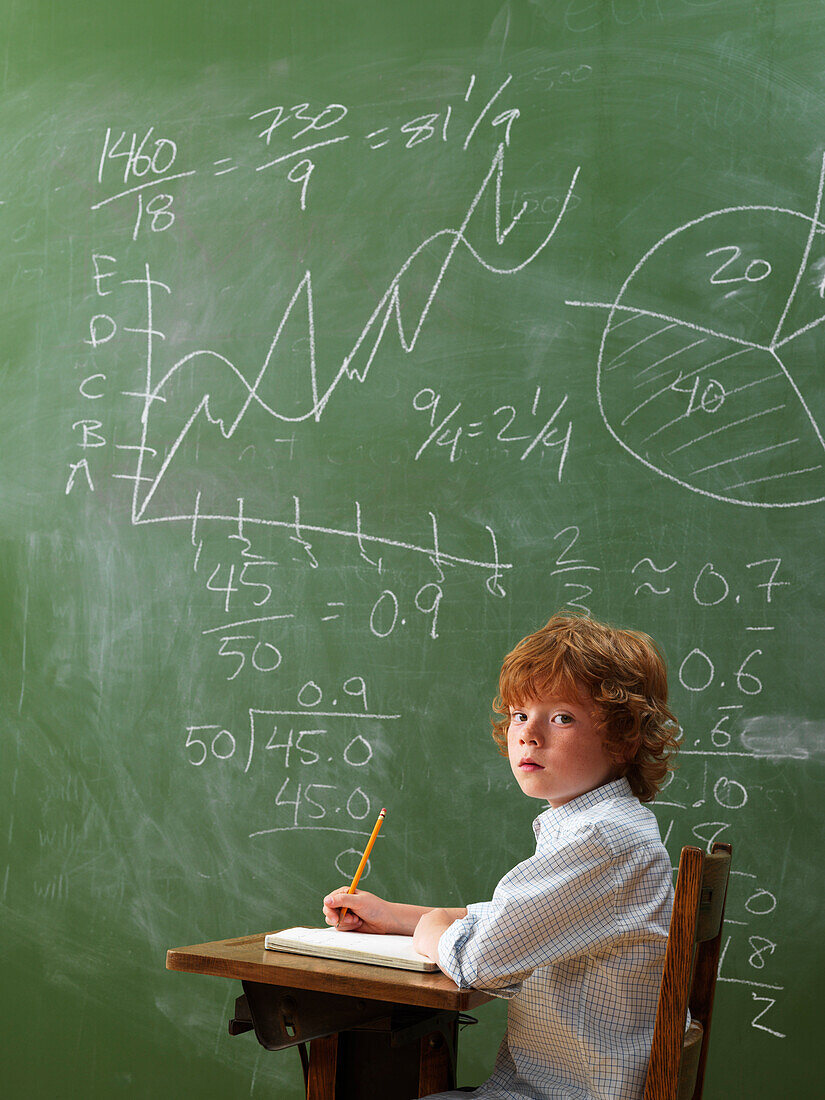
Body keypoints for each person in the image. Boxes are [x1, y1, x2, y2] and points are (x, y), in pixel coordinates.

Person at [322, 613, 681, 1100]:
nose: (529, 735)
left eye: (561, 718)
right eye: (518, 714)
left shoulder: (602, 839)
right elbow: (518, 920)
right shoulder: (608, 828)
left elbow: (480, 959)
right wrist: (396, 917)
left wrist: (433, 929)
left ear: (624, 739)